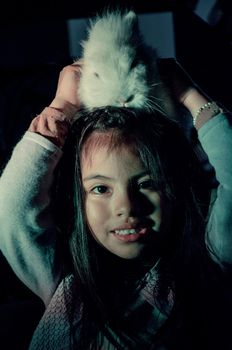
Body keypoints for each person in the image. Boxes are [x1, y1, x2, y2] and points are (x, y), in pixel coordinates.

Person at [0, 60, 231, 350]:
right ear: (78, 200)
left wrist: (188, 95)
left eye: (147, 183)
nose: (127, 207)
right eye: (100, 188)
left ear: (175, 188)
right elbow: (12, 210)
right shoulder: (66, 282)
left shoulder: (209, 260)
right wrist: (61, 108)